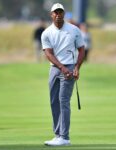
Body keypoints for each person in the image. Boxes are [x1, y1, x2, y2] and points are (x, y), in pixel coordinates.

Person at [41, 3, 85, 146]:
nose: (58, 15)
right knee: (54, 102)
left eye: (60, 12)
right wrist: (61, 67)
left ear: (64, 14)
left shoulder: (74, 30)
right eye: (56, 12)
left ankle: (64, 137)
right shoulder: (46, 32)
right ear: (51, 14)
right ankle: (58, 134)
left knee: (63, 101)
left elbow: (82, 49)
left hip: (70, 68)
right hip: (55, 68)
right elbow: (48, 53)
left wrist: (77, 67)